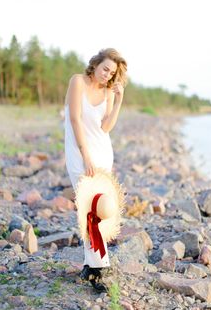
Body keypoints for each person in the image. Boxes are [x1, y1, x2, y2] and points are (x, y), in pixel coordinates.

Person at [64, 48, 127, 291]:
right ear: (95, 64)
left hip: (102, 154)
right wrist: (85, 155)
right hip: (80, 154)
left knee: (98, 209)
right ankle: (98, 265)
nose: (107, 75)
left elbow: (106, 127)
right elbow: (75, 119)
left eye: (111, 73)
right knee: (87, 208)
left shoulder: (109, 91)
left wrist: (119, 99)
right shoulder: (77, 82)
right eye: (105, 69)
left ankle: (94, 267)